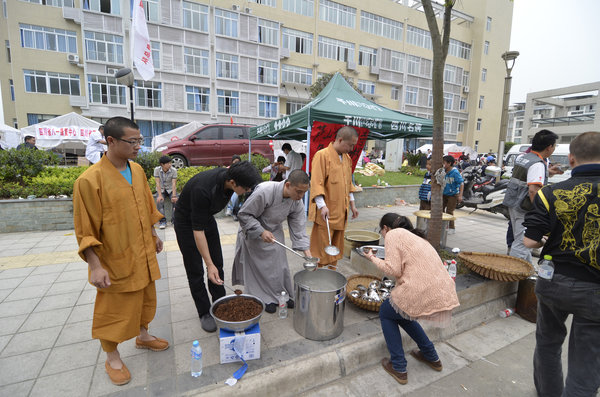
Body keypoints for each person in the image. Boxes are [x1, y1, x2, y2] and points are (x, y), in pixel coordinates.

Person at [72, 117, 168, 386]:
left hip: (142, 252)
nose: (138, 146)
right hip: (114, 259)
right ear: (110, 141)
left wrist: (153, 233)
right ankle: (112, 356)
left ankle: (143, 335)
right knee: (113, 308)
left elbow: (146, 205)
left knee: (146, 298)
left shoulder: (136, 170)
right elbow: (85, 229)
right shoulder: (89, 181)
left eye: (140, 140)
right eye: (132, 141)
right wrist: (95, 265)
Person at [523, 131, 600, 397]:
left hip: (553, 280)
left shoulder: (550, 193)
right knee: (586, 360)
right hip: (595, 290)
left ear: (571, 158)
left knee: (547, 344)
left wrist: (550, 236)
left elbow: (530, 242)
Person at [364, 213, 459, 385]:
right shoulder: (415, 236)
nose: (383, 235)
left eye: (382, 231)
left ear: (386, 228)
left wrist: (372, 257)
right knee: (403, 314)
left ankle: (399, 367)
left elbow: (393, 270)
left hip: (421, 290)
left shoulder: (393, 234)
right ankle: (431, 356)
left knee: (386, 312)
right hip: (442, 289)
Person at [174, 161, 262, 332]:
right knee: (196, 270)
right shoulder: (203, 190)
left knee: (217, 263)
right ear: (233, 183)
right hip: (186, 223)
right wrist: (208, 263)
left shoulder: (230, 178)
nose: (247, 191)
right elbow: (197, 232)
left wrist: (213, 264)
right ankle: (204, 312)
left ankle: (219, 301)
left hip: (206, 218)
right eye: (246, 188)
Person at [232, 170, 312, 313]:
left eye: (304, 193)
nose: (301, 197)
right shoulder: (265, 191)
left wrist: (308, 253)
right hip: (255, 230)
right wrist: (261, 231)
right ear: (287, 185)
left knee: (280, 265)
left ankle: (280, 295)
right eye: (298, 192)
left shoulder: (297, 201)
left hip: (274, 231)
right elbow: (244, 214)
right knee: (261, 267)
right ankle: (263, 297)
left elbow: (298, 225)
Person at [503, 129, 563, 263]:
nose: (553, 148)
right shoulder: (537, 164)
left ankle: (528, 273)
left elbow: (527, 176)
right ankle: (513, 277)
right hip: (525, 208)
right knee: (522, 244)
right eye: (554, 145)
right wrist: (538, 213)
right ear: (549, 147)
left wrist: (548, 172)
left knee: (522, 241)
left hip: (513, 204)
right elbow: (533, 191)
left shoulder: (523, 157)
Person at [309, 126, 359, 270]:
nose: (352, 148)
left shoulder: (347, 159)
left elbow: (348, 183)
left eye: (353, 146)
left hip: (341, 213)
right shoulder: (322, 155)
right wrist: (322, 206)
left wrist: (353, 205)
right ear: (340, 139)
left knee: (336, 249)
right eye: (350, 145)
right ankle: (315, 277)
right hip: (326, 213)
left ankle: (332, 276)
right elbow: (316, 183)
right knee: (320, 249)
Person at [154, 155, 178, 229]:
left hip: (171, 189)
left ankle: (175, 220)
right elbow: (157, 183)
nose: (170, 165)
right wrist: (160, 195)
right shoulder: (157, 170)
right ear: (162, 164)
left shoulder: (174, 170)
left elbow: (174, 183)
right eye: (168, 163)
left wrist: (174, 196)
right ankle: (162, 221)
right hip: (161, 189)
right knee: (159, 201)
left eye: (170, 163)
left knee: (176, 201)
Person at [442, 155, 464, 234]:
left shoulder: (455, 172)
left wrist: (460, 195)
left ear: (449, 163)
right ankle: (443, 226)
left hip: (453, 195)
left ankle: (451, 228)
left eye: (444, 162)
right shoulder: (443, 171)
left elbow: (461, 183)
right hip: (444, 194)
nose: (442, 164)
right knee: (441, 210)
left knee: (449, 211)